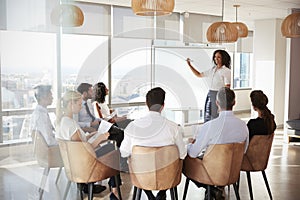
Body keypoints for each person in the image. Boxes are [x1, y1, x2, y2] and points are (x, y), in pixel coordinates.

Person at [120, 87, 187, 200]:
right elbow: (182, 155)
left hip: (142, 178)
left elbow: (123, 153)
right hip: (168, 178)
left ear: (147, 104)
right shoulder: (174, 128)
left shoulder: (133, 127)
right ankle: (161, 194)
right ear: (163, 106)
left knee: (139, 164)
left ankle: (150, 196)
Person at [55, 90, 121, 199]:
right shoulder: (71, 124)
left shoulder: (62, 122)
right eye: (79, 104)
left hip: (74, 166)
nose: (81, 107)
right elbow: (84, 150)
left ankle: (114, 188)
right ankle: (115, 191)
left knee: (109, 148)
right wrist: (100, 138)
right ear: (71, 104)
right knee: (112, 150)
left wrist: (89, 136)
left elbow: (76, 145)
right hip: (85, 166)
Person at [187, 87, 249, 199]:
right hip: (232, 172)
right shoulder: (243, 126)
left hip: (211, 172)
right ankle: (215, 190)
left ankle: (212, 190)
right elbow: (243, 151)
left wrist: (190, 144)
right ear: (234, 103)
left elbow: (192, 154)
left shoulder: (210, 126)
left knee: (186, 160)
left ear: (216, 103)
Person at [186, 49, 231, 122]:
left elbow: (227, 86)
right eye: (215, 57)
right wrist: (189, 65)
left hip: (219, 95)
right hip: (210, 94)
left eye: (219, 57)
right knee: (208, 114)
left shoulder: (226, 71)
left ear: (223, 58)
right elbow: (199, 74)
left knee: (215, 115)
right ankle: (208, 129)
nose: (216, 59)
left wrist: (222, 99)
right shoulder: (212, 69)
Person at [76, 83, 124, 147]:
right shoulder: (77, 106)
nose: (93, 92)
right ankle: (118, 153)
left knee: (120, 132)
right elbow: (76, 123)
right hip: (90, 129)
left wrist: (101, 120)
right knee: (119, 133)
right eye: (91, 91)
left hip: (99, 125)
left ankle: (117, 152)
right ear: (85, 93)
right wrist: (90, 124)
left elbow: (94, 117)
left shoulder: (89, 103)